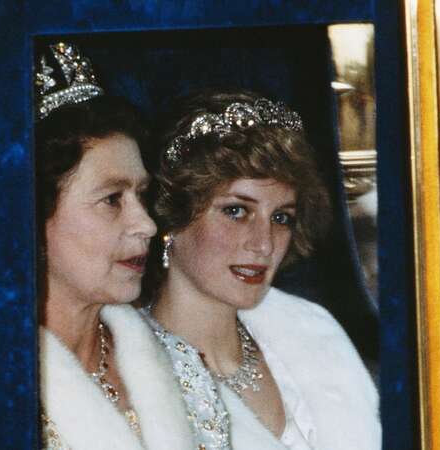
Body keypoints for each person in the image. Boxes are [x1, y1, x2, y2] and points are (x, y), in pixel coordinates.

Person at [143, 89, 381, 449]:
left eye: (281, 218)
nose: (264, 244)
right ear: (172, 215)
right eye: (236, 211)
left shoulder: (313, 335)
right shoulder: (131, 372)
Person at [36, 43, 194, 450]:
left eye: (142, 195)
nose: (145, 224)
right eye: (112, 200)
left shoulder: (178, 363)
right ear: (33, 217)